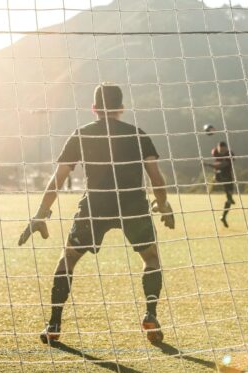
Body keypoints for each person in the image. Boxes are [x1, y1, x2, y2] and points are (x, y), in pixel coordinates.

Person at [18, 83, 175, 345]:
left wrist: (41, 213)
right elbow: (156, 178)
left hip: (95, 206)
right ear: (121, 108)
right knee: (150, 258)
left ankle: (54, 324)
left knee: (67, 259)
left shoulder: (81, 134)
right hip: (133, 204)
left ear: (94, 109)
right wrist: (164, 205)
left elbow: (57, 179)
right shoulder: (138, 135)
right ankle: (150, 314)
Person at [205, 141, 235, 228]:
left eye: (223, 151)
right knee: (220, 173)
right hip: (219, 176)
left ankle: (223, 217)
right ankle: (228, 195)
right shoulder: (215, 152)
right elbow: (218, 165)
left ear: (226, 149)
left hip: (228, 177)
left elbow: (222, 165)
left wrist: (208, 164)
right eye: (220, 151)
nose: (221, 152)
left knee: (229, 201)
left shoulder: (230, 154)